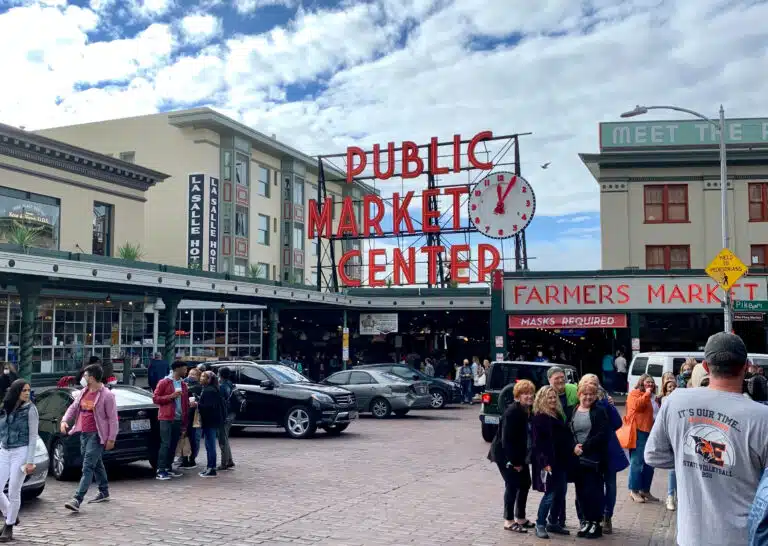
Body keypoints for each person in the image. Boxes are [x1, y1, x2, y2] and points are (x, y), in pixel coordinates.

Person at [646, 332, 768, 546]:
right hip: (742, 537)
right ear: (746, 366)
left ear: (705, 366)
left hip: (691, 537)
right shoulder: (761, 416)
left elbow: (653, 455)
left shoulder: (675, 401)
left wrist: (691, 460)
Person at [62, 364, 118, 512]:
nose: (83, 378)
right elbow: (73, 408)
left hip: (97, 435)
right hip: (83, 433)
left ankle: (77, 499)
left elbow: (113, 419)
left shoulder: (107, 395)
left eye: (85, 376)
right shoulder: (83, 392)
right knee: (96, 462)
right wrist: (64, 420)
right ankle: (104, 491)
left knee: (87, 466)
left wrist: (111, 438)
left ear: (92, 378)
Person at [580, 373, 627, 535]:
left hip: (607, 450)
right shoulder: (581, 400)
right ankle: (589, 518)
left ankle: (607, 517)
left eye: (595, 383)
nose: (591, 385)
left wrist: (609, 406)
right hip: (588, 451)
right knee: (590, 485)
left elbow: (617, 423)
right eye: (588, 382)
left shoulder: (605, 401)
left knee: (610, 484)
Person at [488, 379, 534, 533]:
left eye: (530, 393)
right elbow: (506, 440)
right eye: (525, 393)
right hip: (505, 455)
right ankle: (508, 520)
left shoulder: (527, 409)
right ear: (518, 396)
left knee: (525, 483)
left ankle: (520, 517)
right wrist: (514, 462)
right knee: (512, 485)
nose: (528, 396)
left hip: (521, 455)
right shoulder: (512, 412)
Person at [569, 378, 610, 539]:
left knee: (594, 491)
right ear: (579, 394)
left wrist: (584, 447)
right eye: (584, 394)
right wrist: (574, 446)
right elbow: (569, 431)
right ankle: (585, 521)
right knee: (580, 492)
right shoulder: (573, 410)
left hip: (593, 458)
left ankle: (595, 523)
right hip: (577, 458)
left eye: (591, 394)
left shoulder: (599, 411)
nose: (588, 397)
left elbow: (602, 434)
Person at [0, 379, 38, 542]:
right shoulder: (5, 409)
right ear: (16, 391)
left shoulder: (31, 410)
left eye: (29, 390)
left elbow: (33, 436)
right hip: (4, 450)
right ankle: (11, 514)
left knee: (14, 489)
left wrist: (30, 461)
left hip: (21, 452)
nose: (27, 393)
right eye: (24, 390)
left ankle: (8, 526)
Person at [531, 386, 570, 539]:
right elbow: (537, 444)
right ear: (542, 399)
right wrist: (545, 463)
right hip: (548, 463)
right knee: (550, 494)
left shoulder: (558, 414)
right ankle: (540, 523)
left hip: (561, 461)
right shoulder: (539, 417)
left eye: (554, 397)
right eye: (549, 397)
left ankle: (552, 521)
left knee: (561, 493)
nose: (553, 400)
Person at [153, 360, 190, 481]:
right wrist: (171, 396)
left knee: (173, 444)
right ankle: (160, 469)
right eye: (184, 369)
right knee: (165, 443)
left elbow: (184, 403)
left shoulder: (183, 384)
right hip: (166, 417)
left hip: (179, 418)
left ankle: (168, 467)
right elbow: (155, 398)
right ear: (177, 369)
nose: (186, 371)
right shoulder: (164, 382)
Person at [626, 373, 657, 503]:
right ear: (641, 383)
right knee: (637, 462)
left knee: (650, 463)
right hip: (638, 431)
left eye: (652, 382)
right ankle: (634, 490)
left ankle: (645, 490)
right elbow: (638, 406)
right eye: (647, 382)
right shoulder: (634, 393)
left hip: (651, 432)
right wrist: (646, 394)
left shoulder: (653, 397)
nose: (650, 384)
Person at [656, 376, 678, 511]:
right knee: (672, 469)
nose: (673, 389)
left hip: (679, 435)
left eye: (675, 386)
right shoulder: (665, 400)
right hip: (670, 436)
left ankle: (679, 497)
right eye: (670, 387)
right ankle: (670, 496)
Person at [197, 371, 224, 478]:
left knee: (210, 445)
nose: (201, 378)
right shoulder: (211, 389)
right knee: (209, 444)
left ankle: (211, 468)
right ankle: (209, 467)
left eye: (204, 376)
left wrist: (197, 404)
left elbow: (207, 407)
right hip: (211, 421)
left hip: (210, 421)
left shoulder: (209, 390)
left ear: (209, 379)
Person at [178, 367, 202, 469]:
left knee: (194, 438)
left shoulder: (199, 387)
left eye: (193, 374)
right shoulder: (184, 384)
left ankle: (192, 458)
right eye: (190, 374)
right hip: (185, 415)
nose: (190, 376)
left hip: (194, 416)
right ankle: (184, 459)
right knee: (184, 437)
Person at [217, 367, 239, 471]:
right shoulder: (230, 384)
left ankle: (224, 462)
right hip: (232, 414)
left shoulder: (222, 386)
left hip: (225, 415)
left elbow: (221, 403)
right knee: (225, 437)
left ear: (220, 374)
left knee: (222, 439)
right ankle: (229, 460)